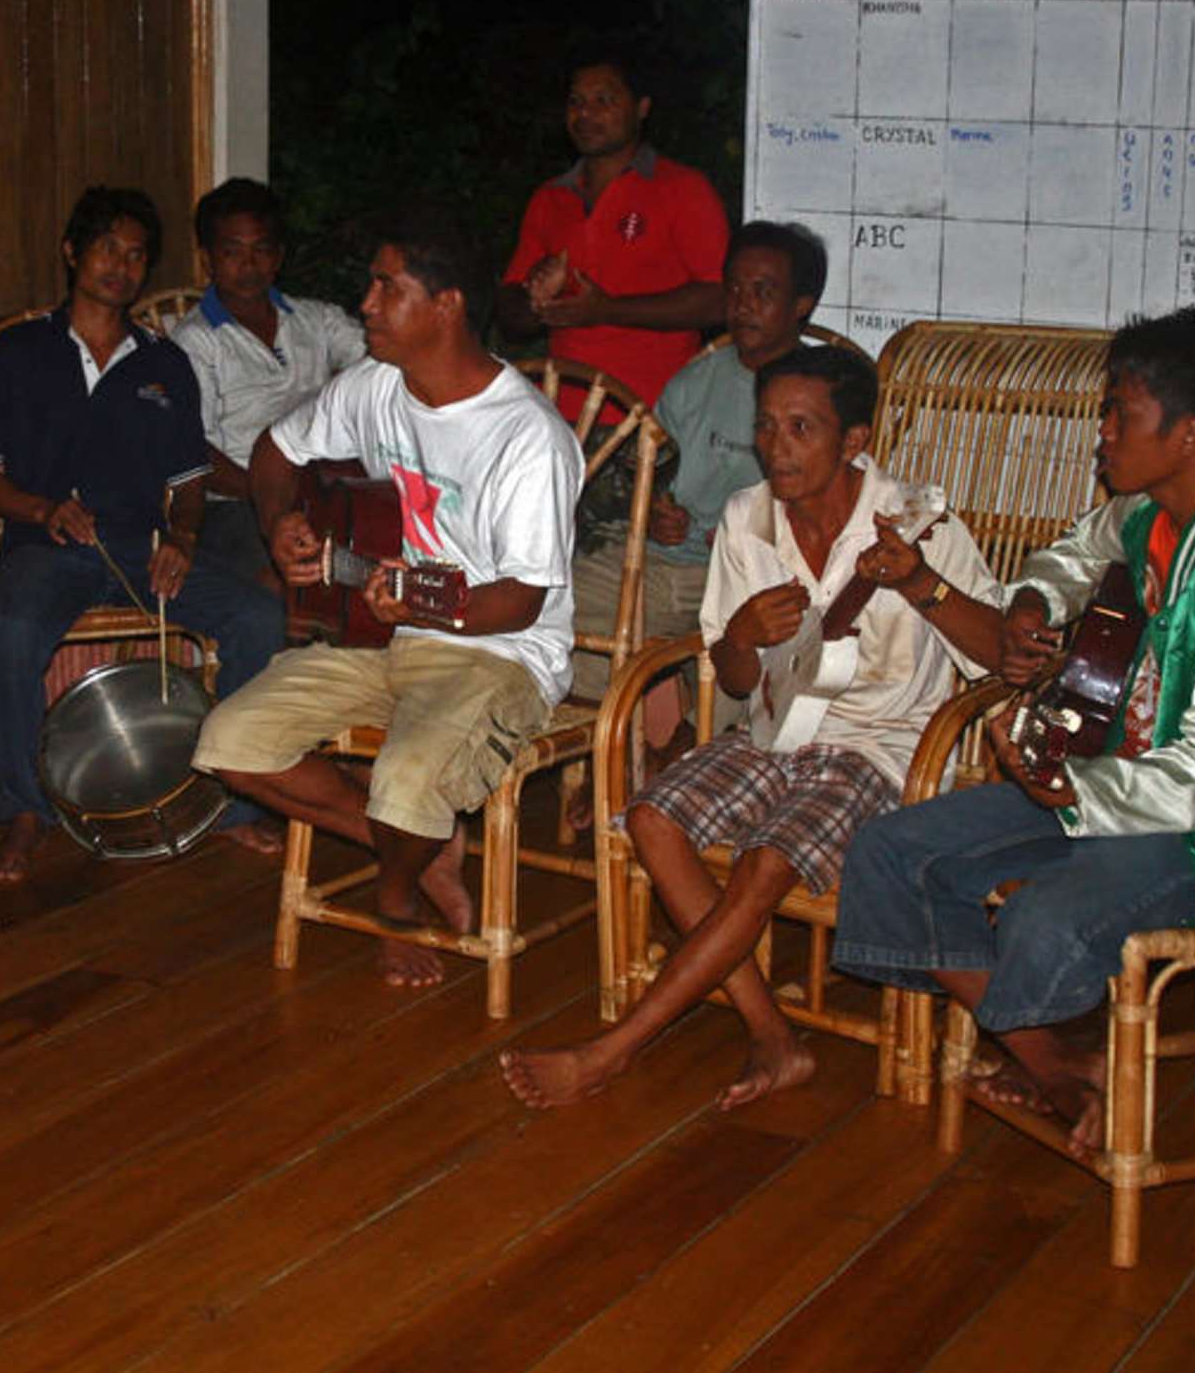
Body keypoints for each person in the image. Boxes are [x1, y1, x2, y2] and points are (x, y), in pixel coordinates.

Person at [830, 306, 1195, 1151]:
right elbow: (1070, 557)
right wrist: (1035, 603)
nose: (1102, 433)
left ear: (1189, 433)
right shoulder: (1145, 513)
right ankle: (1057, 1064)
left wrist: (1070, 786)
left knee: (1041, 920)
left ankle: (1058, 1060)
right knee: (892, 852)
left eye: (1120, 414)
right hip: (1115, 789)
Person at [502, 348, 1003, 1110]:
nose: (777, 447)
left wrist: (920, 583)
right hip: (776, 731)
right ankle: (773, 1034)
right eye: (766, 426)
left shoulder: (917, 523)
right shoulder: (747, 517)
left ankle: (612, 1050)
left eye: (802, 428)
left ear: (855, 440)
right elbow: (737, 681)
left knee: (766, 858)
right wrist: (738, 635)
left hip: (880, 748)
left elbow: (1000, 655)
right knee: (651, 817)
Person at [193, 207, 585, 988]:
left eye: (386, 287)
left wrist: (424, 607)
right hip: (383, 635)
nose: (365, 304)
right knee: (227, 741)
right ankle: (415, 843)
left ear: (447, 306)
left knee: (404, 781)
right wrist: (279, 525)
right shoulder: (375, 386)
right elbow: (274, 452)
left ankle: (397, 897)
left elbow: (521, 602)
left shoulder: (527, 437)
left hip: (500, 654)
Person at [0, 186, 289, 885]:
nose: (122, 267)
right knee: (12, 635)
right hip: (47, 549)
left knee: (257, 615)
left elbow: (190, 484)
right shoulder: (18, 352)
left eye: (137, 256)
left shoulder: (163, 364)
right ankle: (24, 809)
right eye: (107, 249)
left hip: (142, 550)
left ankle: (235, 801)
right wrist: (42, 510)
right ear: (72, 252)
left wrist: (184, 539)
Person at [567, 220, 830, 709]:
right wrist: (657, 511)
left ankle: (670, 731)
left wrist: (741, 538)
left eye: (763, 292)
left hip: (752, 575)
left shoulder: (818, 395)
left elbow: (831, 509)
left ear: (801, 305)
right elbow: (652, 472)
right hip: (663, 561)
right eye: (735, 290)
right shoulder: (697, 380)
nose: (743, 305)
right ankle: (600, 736)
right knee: (561, 596)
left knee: (755, 664)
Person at [497, 53, 734, 409]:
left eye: (603, 100)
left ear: (641, 108)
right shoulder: (550, 198)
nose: (585, 114)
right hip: (562, 411)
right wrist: (536, 301)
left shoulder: (682, 188)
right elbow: (509, 314)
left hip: (655, 414)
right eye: (576, 102)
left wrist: (607, 310)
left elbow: (720, 299)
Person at [167, 177, 367, 591]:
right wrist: (272, 495)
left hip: (325, 493)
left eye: (261, 250)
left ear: (279, 257)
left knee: (376, 557)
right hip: (236, 505)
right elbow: (192, 452)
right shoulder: (195, 341)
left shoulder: (315, 319)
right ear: (207, 259)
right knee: (290, 580)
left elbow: (380, 363)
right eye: (232, 251)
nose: (248, 265)